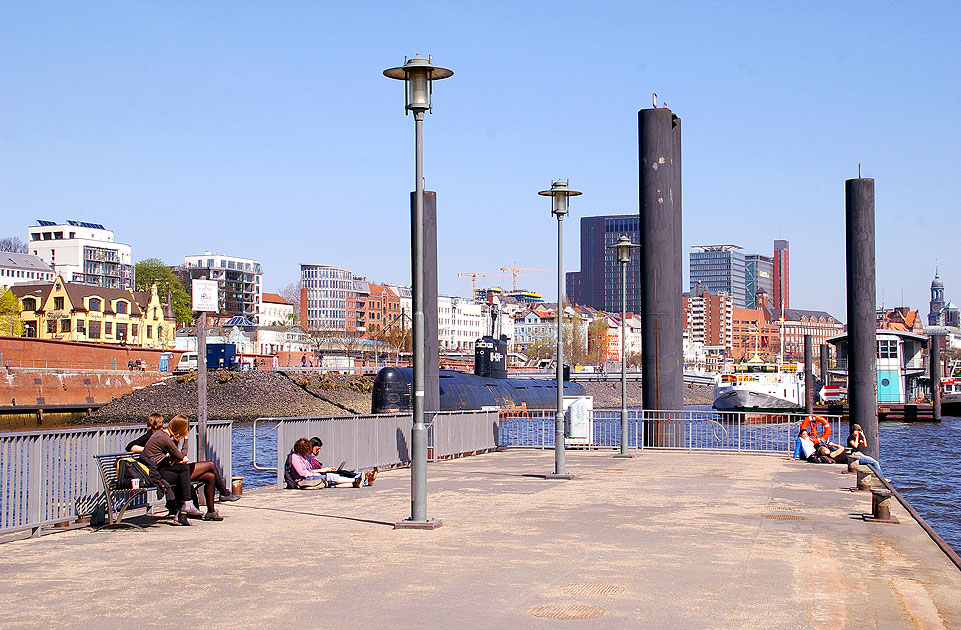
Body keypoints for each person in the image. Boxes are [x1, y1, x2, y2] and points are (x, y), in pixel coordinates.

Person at [306, 437, 376, 487]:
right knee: (338, 475)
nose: (318, 451)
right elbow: (310, 470)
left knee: (342, 472)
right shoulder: (308, 457)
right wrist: (324, 470)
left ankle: (364, 479)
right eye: (317, 449)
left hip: (320, 473)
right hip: (317, 474)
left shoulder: (312, 457)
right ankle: (365, 480)